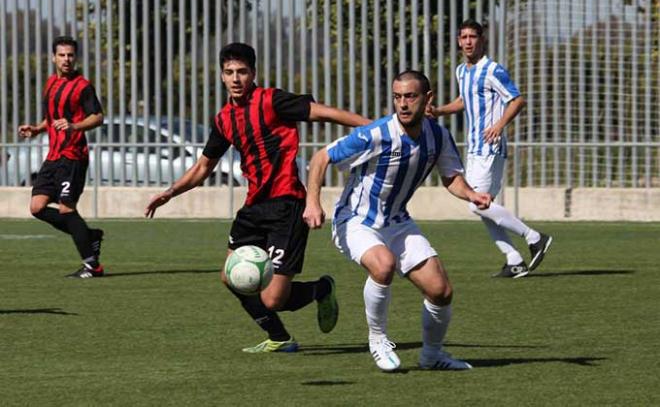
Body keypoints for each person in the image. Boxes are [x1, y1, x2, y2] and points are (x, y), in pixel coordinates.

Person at [145, 42, 371, 353]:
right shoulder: (224, 119)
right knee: (230, 277)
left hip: (287, 206)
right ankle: (280, 338)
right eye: (229, 72)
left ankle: (321, 288)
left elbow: (328, 114)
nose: (235, 78)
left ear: (253, 74)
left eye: (242, 72)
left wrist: (377, 129)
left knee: (273, 299)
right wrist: (170, 192)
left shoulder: (273, 101)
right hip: (253, 208)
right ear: (222, 76)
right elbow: (202, 167)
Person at [303, 70, 492, 372]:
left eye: (410, 96)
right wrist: (312, 202)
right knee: (383, 264)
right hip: (355, 221)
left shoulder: (438, 135)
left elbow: (451, 177)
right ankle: (378, 339)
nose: (402, 104)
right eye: (397, 97)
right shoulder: (377, 133)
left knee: (440, 291)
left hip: (397, 222)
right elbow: (321, 157)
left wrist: (471, 195)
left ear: (428, 99)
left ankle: (431, 355)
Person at [427, 19, 552, 278]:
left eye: (474, 36)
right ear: (459, 41)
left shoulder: (493, 70)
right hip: (473, 148)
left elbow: (517, 100)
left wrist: (499, 124)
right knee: (483, 206)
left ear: (482, 40)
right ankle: (514, 259)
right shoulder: (462, 71)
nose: (469, 41)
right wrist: (439, 111)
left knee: (476, 204)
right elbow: (464, 100)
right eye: (464, 37)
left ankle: (534, 237)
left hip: (490, 146)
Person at [18, 36, 105, 278]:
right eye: (62, 55)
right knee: (37, 207)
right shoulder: (50, 84)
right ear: (53, 58)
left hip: (73, 155)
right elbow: (54, 117)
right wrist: (37, 129)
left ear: (75, 58)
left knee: (67, 209)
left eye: (70, 55)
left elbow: (98, 117)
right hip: (54, 156)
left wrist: (75, 126)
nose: (66, 59)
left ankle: (92, 266)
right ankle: (90, 236)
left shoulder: (82, 86)